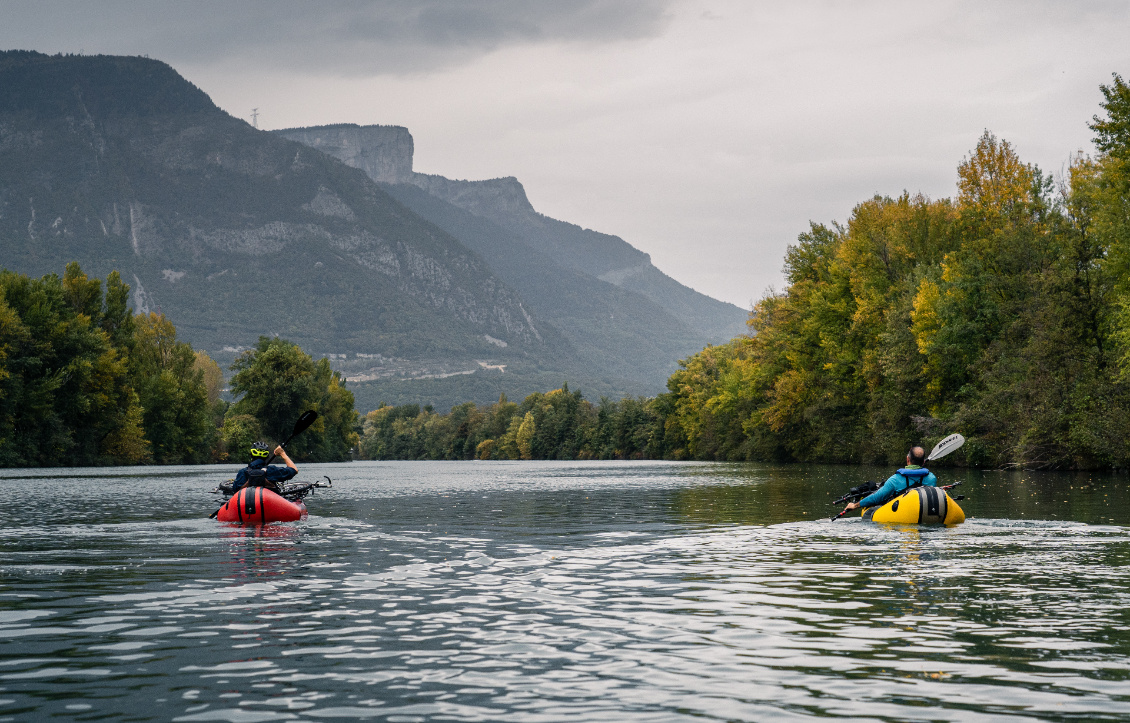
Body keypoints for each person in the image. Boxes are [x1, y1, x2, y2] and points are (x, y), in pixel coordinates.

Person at [844, 445, 937, 512]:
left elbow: (877, 497)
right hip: (925, 511)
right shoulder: (932, 478)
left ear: (908, 459)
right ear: (923, 462)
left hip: (903, 513)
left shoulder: (895, 479)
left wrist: (856, 505)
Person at [232, 441, 298, 492]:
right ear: (267, 456)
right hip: (269, 503)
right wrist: (282, 453)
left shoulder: (243, 472)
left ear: (251, 455)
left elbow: (235, 490)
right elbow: (294, 470)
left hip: (246, 504)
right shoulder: (272, 470)